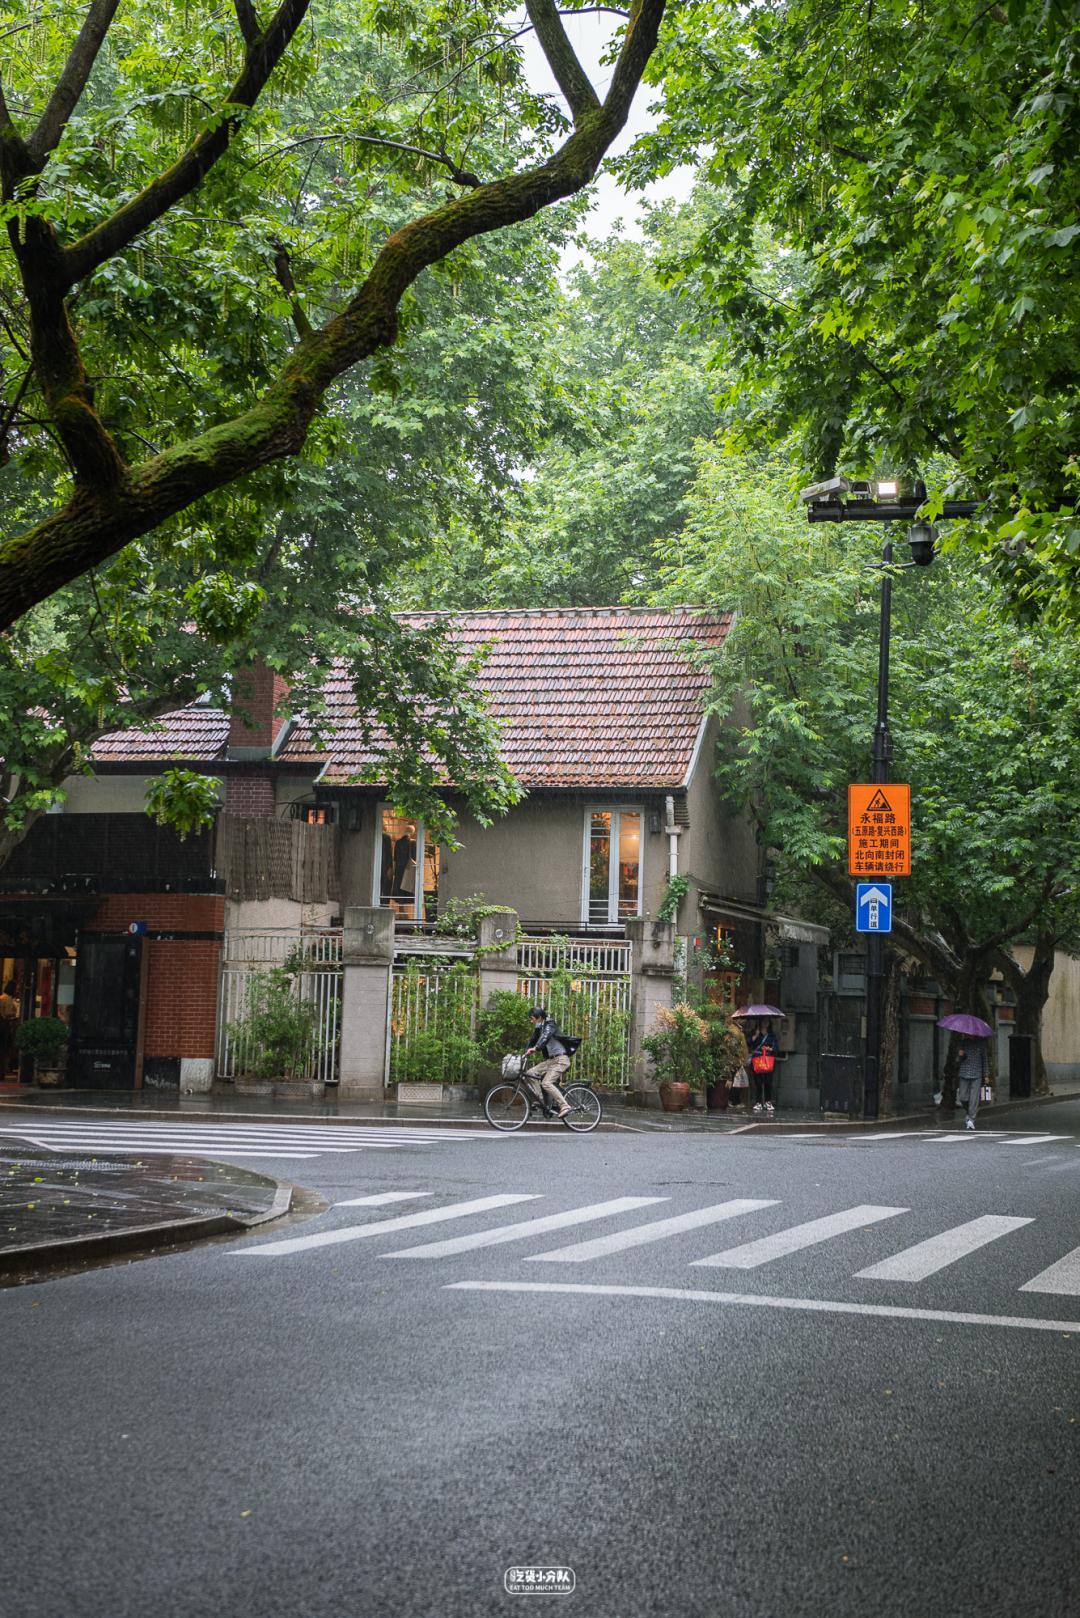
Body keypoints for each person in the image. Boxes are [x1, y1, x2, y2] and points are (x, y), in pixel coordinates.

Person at [524, 1006, 572, 1120]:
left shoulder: (550, 1024)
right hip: (551, 1060)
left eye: (532, 1018)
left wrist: (536, 1048)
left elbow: (545, 1037)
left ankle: (564, 1105)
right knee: (530, 1073)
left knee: (546, 1083)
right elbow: (533, 1039)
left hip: (561, 1060)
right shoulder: (539, 1026)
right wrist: (525, 1052)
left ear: (539, 1017)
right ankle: (541, 1100)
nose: (531, 1021)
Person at [747, 1018, 779, 1116]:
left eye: (767, 1021)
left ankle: (768, 1102)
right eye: (763, 1021)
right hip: (757, 1060)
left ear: (769, 1023)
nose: (765, 1023)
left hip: (768, 1060)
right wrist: (756, 1035)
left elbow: (776, 1048)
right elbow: (749, 1043)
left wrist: (770, 1048)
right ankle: (758, 1102)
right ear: (760, 1022)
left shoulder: (772, 1035)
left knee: (768, 1082)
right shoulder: (755, 1032)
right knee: (758, 1082)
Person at [956, 1038, 989, 1130]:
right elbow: (957, 1060)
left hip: (977, 1073)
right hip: (964, 1072)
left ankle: (971, 1119)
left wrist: (986, 1075)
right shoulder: (963, 1042)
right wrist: (960, 1055)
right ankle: (969, 1112)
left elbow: (984, 1060)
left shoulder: (981, 1044)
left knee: (974, 1099)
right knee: (962, 1097)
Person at [0, 979, 18, 1080]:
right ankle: (2, 1072)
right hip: (4, 1027)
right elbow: (8, 1014)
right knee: (4, 1049)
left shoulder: (1, 997)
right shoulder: (8, 1000)